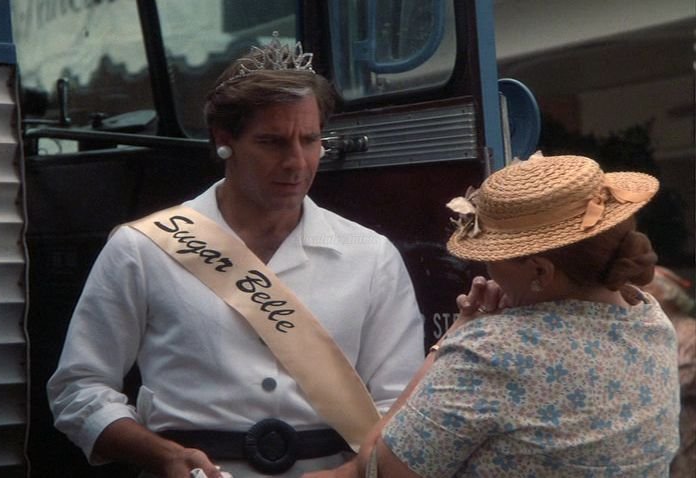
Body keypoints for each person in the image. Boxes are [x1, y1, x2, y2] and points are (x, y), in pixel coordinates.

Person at [47, 32, 424, 478]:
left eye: (310, 140)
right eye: (272, 142)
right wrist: (161, 455)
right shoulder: (143, 248)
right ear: (223, 139)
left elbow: (402, 408)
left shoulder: (371, 257)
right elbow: (80, 388)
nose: (297, 162)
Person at [305, 153, 681, 477]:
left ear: (540, 272)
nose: (486, 270)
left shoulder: (491, 352)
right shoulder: (651, 320)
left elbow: (379, 467)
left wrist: (454, 337)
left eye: (493, 256)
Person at [642, 266, 696, 478]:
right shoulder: (654, 334)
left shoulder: (690, 333)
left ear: (668, 294)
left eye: (647, 288)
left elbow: (683, 380)